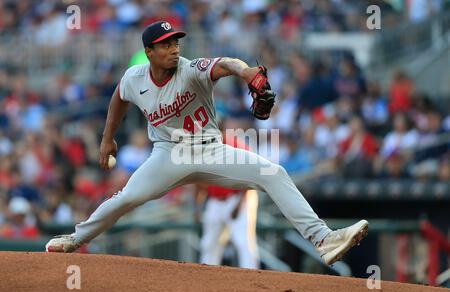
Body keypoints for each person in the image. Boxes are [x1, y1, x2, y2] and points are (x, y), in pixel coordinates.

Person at [46, 21, 368, 266]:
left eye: (175, 42)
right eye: (165, 44)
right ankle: (77, 238)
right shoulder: (135, 79)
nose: (174, 48)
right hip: (168, 155)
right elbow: (118, 99)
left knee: (273, 173)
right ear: (149, 53)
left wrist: (247, 74)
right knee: (126, 197)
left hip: (210, 149)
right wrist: (106, 139)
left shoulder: (190, 70)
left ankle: (324, 239)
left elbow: (226, 64)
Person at [194, 121, 259, 269]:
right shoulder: (204, 149)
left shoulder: (237, 147)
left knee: (243, 242)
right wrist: (197, 207)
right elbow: (197, 181)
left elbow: (250, 179)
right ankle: (206, 277)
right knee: (209, 243)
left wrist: (240, 206)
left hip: (239, 197)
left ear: (223, 131)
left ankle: (253, 280)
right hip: (215, 200)